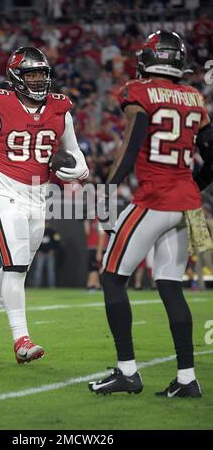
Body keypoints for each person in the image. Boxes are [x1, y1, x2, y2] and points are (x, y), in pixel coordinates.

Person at [89, 31, 213, 398]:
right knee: (172, 287)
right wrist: (192, 186)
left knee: (111, 278)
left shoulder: (139, 91)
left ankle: (127, 372)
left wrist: (108, 195)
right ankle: (187, 378)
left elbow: (131, 145)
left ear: (150, 58)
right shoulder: (194, 97)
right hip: (188, 205)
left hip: (154, 199)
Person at [0, 47, 89, 364]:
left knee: (17, 266)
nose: (38, 80)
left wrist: (80, 168)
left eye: (41, 74)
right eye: (31, 74)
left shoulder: (60, 110)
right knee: (15, 266)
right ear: (16, 77)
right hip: (1, 190)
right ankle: (21, 340)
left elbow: (73, 151)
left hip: (37, 195)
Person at [33, 221, 61, 288]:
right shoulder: (38, 232)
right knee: (38, 271)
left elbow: (57, 241)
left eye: (46, 222)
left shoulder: (53, 231)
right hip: (40, 254)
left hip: (50, 254)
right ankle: (36, 286)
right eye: (44, 222)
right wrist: (37, 251)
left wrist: (53, 250)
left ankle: (51, 286)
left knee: (51, 271)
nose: (45, 224)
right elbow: (34, 242)